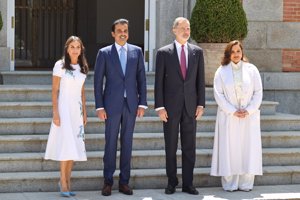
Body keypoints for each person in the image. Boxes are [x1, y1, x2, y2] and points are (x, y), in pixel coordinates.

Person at [94, 18, 147, 196]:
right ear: (113, 33)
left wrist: (142, 103)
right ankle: (108, 181)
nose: (122, 33)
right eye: (119, 30)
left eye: (125, 30)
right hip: (110, 105)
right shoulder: (104, 53)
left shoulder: (137, 52)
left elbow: (142, 79)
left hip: (131, 104)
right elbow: (97, 81)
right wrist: (99, 106)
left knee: (127, 143)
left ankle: (124, 182)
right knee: (110, 144)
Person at [154, 17, 205, 195]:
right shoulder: (163, 53)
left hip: (190, 107)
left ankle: (188, 183)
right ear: (174, 30)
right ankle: (172, 182)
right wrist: (159, 107)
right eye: (183, 28)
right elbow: (158, 82)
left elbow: (200, 81)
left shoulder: (197, 52)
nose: (186, 31)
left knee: (189, 147)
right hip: (170, 108)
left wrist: (201, 104)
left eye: (188, 28)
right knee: (171, 146)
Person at [210, 40, 263, 192]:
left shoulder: (252, 70)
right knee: (230, 149)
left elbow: (258, 92)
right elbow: (218, 93)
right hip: (229, 116)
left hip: (248, 116)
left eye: (238, 51)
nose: (235, 54)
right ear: (228, 54)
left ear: (242, 52)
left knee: (248, 148)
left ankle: (246, 183)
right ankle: (230, 183)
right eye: (232, 52)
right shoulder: (221, 71)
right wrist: (232, 110)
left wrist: (250, 109)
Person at [44, 36, 89, 197]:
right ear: (67, 48)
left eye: (78, 47)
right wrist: (55, 113)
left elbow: (82, 92)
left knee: (73, 147)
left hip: (76, 112)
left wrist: (84, 111)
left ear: (81, 49)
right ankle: (63, 182)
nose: (75, 50)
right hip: (64, 110)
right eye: (72, 47)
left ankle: (68, 182)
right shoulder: (60, 65)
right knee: (66, 147)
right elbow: (55, 91)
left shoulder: (82, 67)